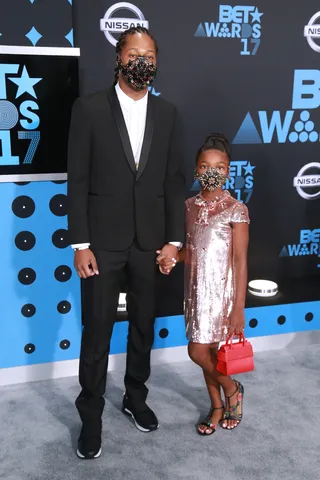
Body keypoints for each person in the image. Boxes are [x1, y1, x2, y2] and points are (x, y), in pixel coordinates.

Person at [67, 26, 185, 459]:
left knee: (142, 327)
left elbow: (174, 183)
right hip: (101, 244)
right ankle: (91, 417)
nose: (142, 60)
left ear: (156, 62)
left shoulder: (169, 113)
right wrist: (80, 243)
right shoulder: (89, 108)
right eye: (135, 52)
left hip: (151, 244)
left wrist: (174, 241)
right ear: (118, 58)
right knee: (97, 332)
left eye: (150, 54)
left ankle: (135, 397)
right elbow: (77, 181)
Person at [160, 133, 249, 435]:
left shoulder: (236, 209)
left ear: (228, 170)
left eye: (220, 166)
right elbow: (190, 250)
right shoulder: (187, 207)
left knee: (200, 351)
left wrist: (238, 307)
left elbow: (240, 261)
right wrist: (172, 258)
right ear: (196, 170)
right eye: (205, 165)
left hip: (223, 294)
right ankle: (219, 404)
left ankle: (231, 391)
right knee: (204, 354)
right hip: (196, 292)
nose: (212, 171)